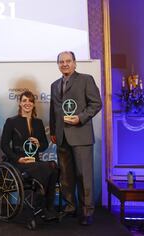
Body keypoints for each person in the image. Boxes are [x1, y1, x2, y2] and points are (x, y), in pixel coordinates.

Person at [49, 51, 102, 225]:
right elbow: (53, 111)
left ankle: (87, 212)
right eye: (61, 62)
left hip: (81, 134)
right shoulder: (54, 84)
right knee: (66, 175)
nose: (64, 64)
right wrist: (54, 133)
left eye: (68, 61)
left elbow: (96, 104)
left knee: (83, 175)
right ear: (58, 64)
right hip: (62, 137)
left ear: (75, 63)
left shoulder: (86, 79)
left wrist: (81, 117)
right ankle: (70, 207)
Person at [1, 90, 59, 220]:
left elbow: (44, 146)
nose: (27, 103)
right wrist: (18, 159)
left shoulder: (38, 122)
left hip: (35, 161)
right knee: (44, 168)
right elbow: (4, 145)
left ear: (33, 104)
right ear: (20, 104)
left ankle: (48, 208)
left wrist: (39, 143)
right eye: (24, 101)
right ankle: (40, 208)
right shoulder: (11, 121)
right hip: (19, 162)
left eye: (30, 101)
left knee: (53, 167)